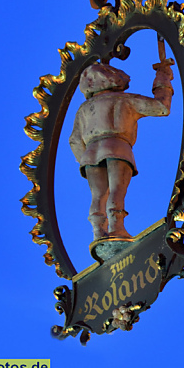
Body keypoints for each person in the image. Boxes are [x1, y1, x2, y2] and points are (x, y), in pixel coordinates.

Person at [69, 40, 174, 240]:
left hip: (90, 153)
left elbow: (74, 140)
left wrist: (84, 159)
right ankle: (117, 227)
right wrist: (163, 77)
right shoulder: (124, 99)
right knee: (117, 190)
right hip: (117, 147)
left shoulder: (84, 109)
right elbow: (162, 107)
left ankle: (98, 231)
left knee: (98, 194)